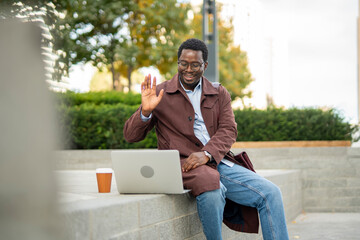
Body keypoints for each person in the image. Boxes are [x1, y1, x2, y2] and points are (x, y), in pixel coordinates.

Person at [124, 38, 289, 240]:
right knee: (211, 185)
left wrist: (207, 154)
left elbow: (229, 130)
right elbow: (131, 136)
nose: (189, 69)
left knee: (271, 193)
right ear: (178, 63)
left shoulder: (219, 92)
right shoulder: (160, 93)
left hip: (217, 161)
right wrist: (145, 111)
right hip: (181, 164)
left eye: (195, 64)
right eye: (183, 63)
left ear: (205, 65)